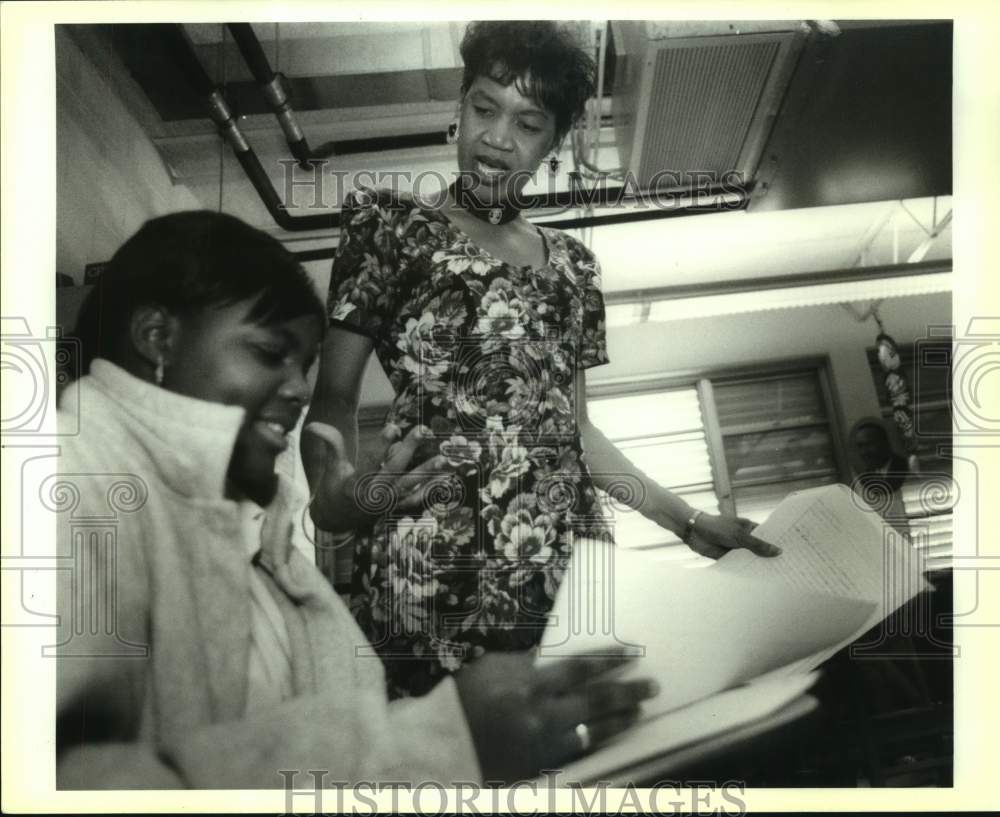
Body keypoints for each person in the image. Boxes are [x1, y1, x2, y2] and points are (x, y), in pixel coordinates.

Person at [54, 211, 657, 789]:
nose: (297, 391)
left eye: (305, 366)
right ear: (156, 337)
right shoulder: (67, 482)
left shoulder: (266, 548)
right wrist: (441, 745)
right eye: (269, 353)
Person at [302, 20, 779, 699]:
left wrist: (690, 521)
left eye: (527, 123)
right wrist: (338, 496)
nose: (497, 137)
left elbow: (576, 431)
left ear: (553, 144)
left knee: (568, 761)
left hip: (565, 567)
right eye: (484, 107)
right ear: (458, 108)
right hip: (435, 559)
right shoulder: (388, 228)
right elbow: (334, 398)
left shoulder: (574, 268)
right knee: (446, 761)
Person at [847, 417, 912, 532]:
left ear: (884, 443)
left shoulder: (902, 466)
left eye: (869, 445)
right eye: (860, 446)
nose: (864, 452)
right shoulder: (865, 477)